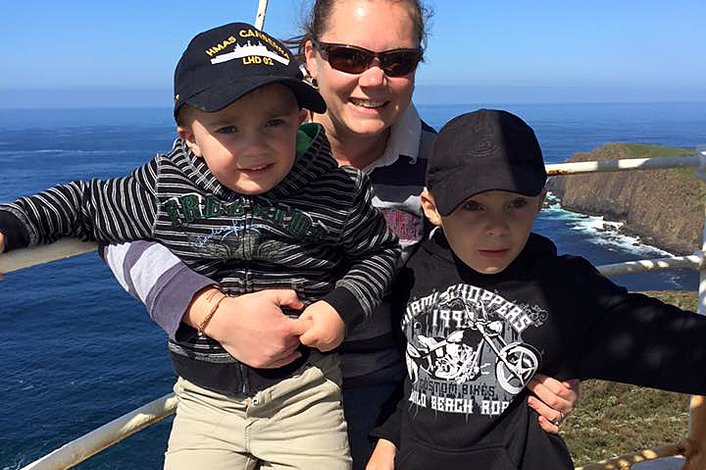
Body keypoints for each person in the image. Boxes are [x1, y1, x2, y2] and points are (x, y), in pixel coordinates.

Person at [100, 1, 579, 468]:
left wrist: (535, 356)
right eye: (349, 57)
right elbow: (117, 228)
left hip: (398, 397)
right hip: (242, 391)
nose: (374, 79)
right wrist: (211, 312)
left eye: (398, 61)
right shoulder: (242, 145)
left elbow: (503, 273)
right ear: (310, 56)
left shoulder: (445, 167)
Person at [0, 22, 405, 470]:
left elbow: (379, 252)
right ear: (188, 136)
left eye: (275, 121)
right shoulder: (166, 187)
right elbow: (83, 204)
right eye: (228, 128)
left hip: (305, 397)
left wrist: (341, 308)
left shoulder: (333, 190)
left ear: (301, 119)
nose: (256, 146)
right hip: (204, 404)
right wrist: (8, 228)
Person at [365, 109, 706, 470]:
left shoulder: (566, 290)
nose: (497, 227)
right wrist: (390, 440)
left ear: (540, 201)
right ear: (432, 208)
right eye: (472, 206)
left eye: (516, 203)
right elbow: (415, 377)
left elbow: (673, 345)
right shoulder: (411, 275)